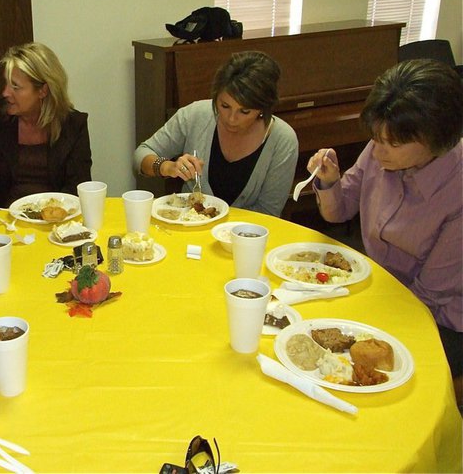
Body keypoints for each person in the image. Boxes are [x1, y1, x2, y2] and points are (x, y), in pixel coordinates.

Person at [306, 59, 463, 407]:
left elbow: (431, 295)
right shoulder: (383, 147)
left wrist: (361, 325)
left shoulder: (457, 188)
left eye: (391, 144)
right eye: (376, 138)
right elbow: (339, 212)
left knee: (358, 386)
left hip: (438, 317)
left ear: (436, 139)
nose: (378, 150)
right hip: (379, 289)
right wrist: (330, 181)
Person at [134, 51, 298, 216]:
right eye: (224, 106)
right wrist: (167, 166)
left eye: (245, 111)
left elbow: (269, 213)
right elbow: (141, 155)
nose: (232, 119)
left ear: (263, 108)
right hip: (189, 230)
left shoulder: (282, 140)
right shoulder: (195, 115)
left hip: (244, 235)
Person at [0, 42, 92, 213]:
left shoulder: (73, 125)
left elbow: (77, 188)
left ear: (43, 91)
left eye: (15, 87)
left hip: (55, 221)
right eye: (6, 83)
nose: (5, 92)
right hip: (2, 223)